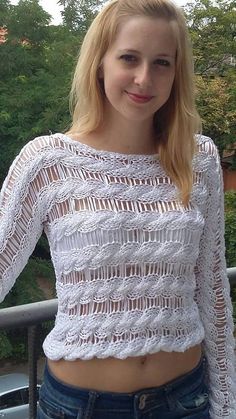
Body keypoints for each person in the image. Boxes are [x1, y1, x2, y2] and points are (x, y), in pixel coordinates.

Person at [0, 0, 235, 417]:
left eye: (162, 62)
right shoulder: (47, 162)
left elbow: (212, 290)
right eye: (129, 57)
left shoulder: (198, 159)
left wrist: (226, 406)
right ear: (100, 62)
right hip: (80, 406)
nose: (145, 78)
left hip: (185, 400)